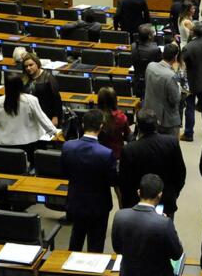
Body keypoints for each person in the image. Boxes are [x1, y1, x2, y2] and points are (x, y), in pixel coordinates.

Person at [62, 109, 118, 252]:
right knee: (96, 244)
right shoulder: (106, 153)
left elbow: (65, 172)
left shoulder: (68, 147)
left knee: (76, 239)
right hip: (99, 205)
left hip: (76, 201)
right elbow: (112, 180)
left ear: (82, 124)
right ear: (101, 126)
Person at [111, 173, 184, 276]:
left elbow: (117, 248)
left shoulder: (119, 215)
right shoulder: (164, 223)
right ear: (160, 195)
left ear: (139, 192)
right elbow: (177, 254)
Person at [119, 109, 186, 216]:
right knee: (164, 229)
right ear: (157, 124)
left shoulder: (129, 150)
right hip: (165, 199)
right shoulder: (171, 143)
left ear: (138, 126)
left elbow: (124, 182)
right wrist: (173, 194)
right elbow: (180, 173)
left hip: (137, 203)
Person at [0, 73, 60, 159]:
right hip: (26, 142)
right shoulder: (30, 100)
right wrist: (53, 131)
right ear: (20, 85)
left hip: (2, 142)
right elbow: (41, 118)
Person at [144, 44, 183, 136]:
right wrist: (179, 88)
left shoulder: (150, 66)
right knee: (171, 147)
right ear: (175, 58)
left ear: (163, 54)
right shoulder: (171, 76)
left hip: (150, 113)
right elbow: (175, 100)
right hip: (167, 120)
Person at [21, 53, 63, 127]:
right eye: (26, 66)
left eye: (31, 65)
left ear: (37, 64)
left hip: (46, 114)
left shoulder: (49, 78)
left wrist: (55, 116)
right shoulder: (24, 78)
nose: (28, 68)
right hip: (30, 116)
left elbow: (57, 99)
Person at [97, 87, 131, 157]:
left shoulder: (95, 117)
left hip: (98, 154)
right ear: (115, 100)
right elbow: (128, 135)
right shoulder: (122, 117)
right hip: (117, 153)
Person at [131, 23, 162, 97]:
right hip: (151, 82)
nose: (154, 34)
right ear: (149, 36)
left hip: (137, 80)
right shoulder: (155, 49)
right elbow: (160, 66)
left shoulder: (133, 46)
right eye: (153, 33)